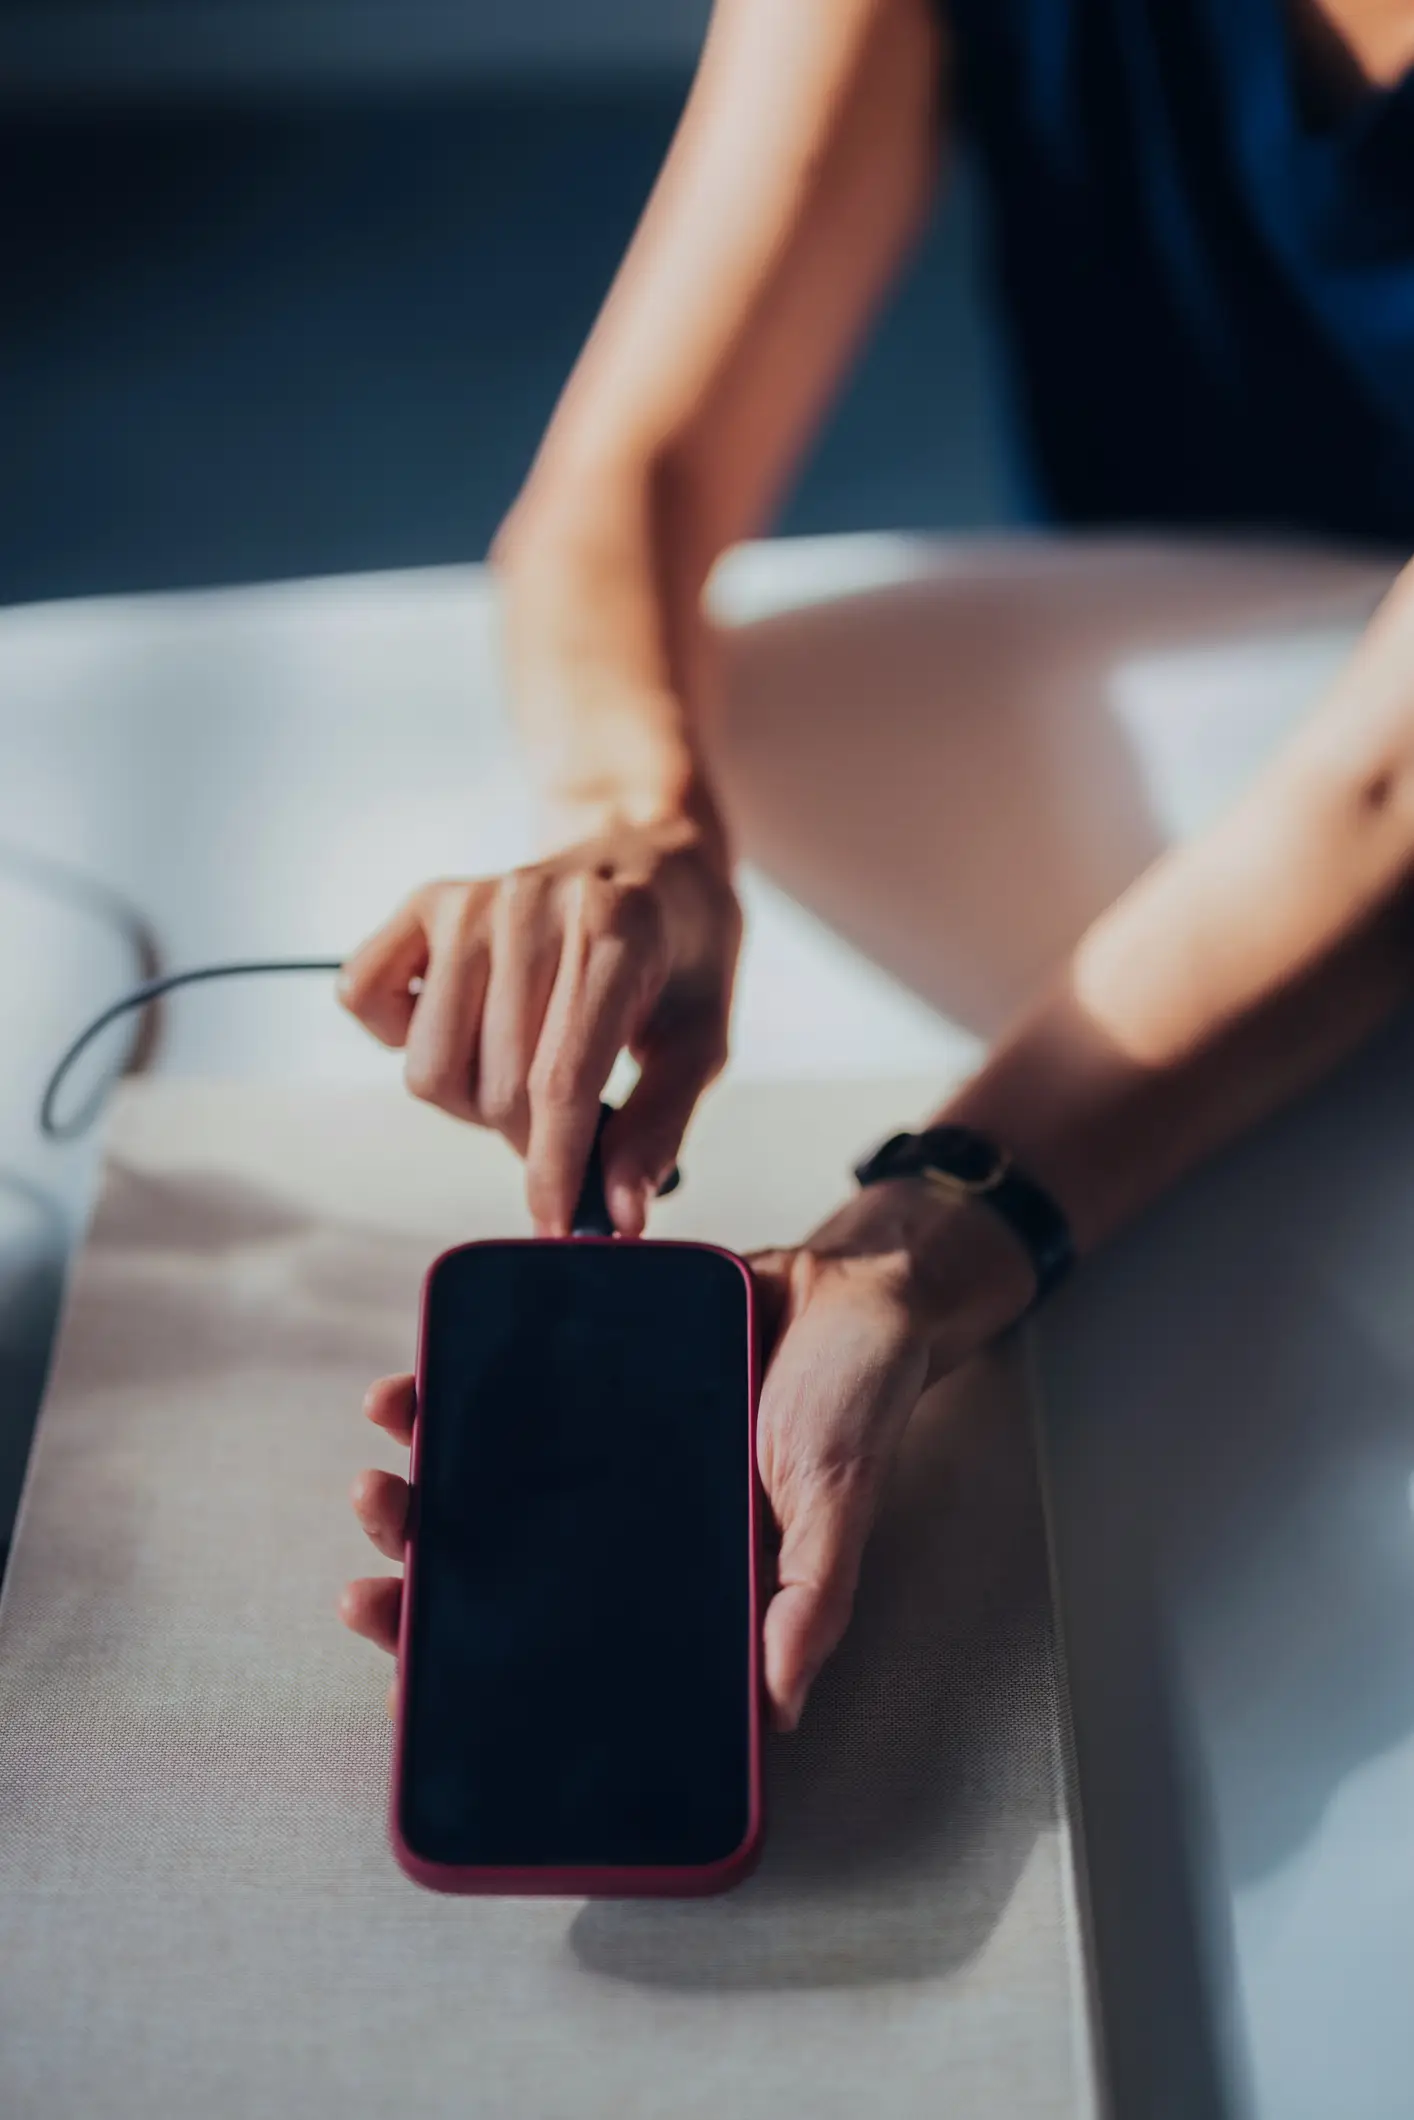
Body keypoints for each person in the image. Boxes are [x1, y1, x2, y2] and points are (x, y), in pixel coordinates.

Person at [336, 0, 1414, 1733]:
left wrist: (924, 1232)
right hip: (1172, 684)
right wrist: (641, 821)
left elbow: (1379, 795)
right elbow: (638, 469)